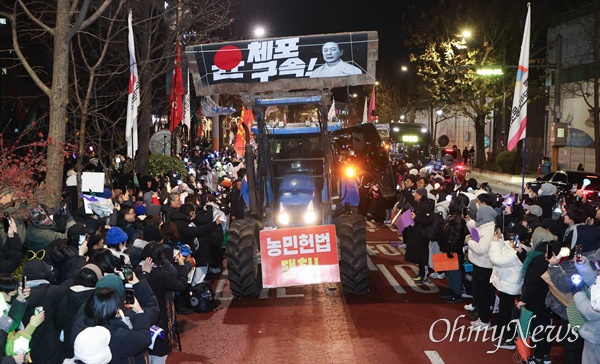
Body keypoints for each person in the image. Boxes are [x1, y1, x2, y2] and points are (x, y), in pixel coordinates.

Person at [465, 203, 497, 331]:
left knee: (482, 294)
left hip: (483, 266)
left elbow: (481, 248)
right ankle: (482, 318)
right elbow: (475, 231)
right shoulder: (485, 226)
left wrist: (469, 241)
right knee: (480, 293)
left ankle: (485, 320)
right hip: (480, 264)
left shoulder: (488, 230)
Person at [404, 188, 434, 283]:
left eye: (416, 194)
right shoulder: (420, 204)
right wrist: (404, 190)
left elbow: (428, 220)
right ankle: (420, 273)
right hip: (417, 234)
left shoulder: (427, 206)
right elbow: (411, 200)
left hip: (422, 235)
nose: (414, 196)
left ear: (420, 195)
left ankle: (424, 275)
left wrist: (416, 218)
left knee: (423, 255)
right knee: (418, 255)